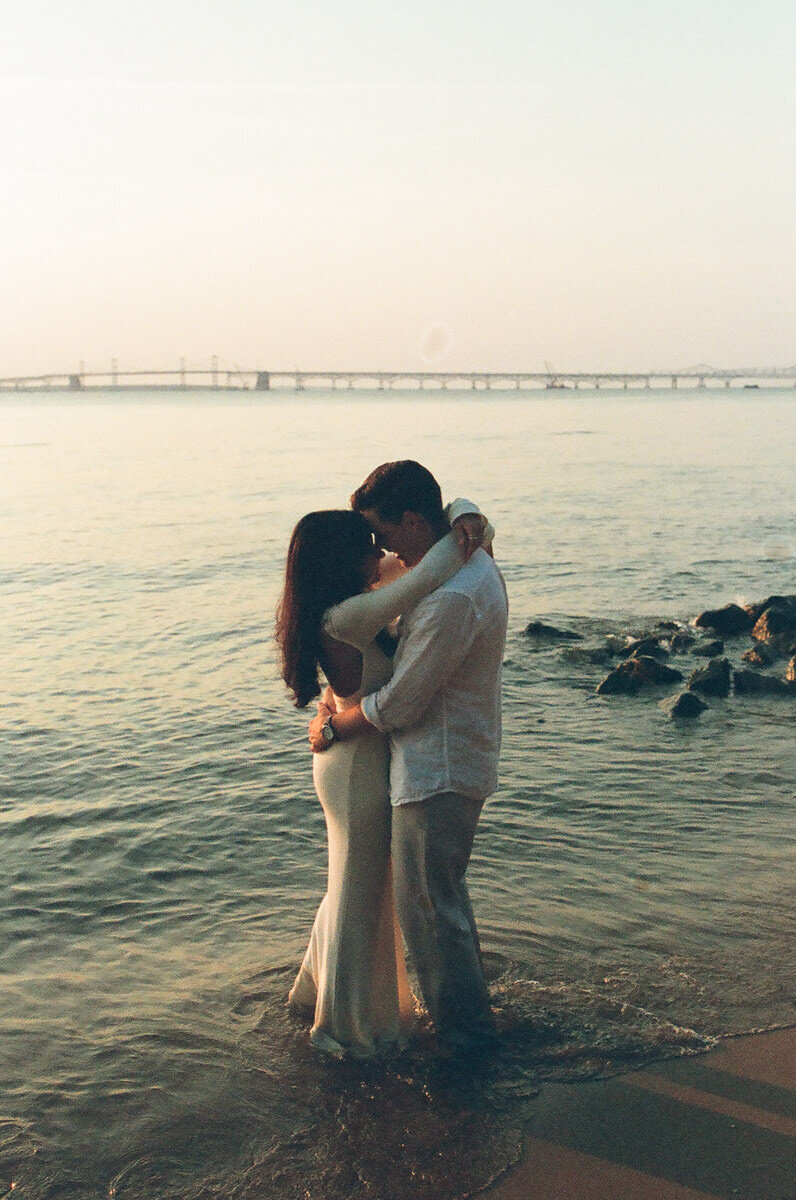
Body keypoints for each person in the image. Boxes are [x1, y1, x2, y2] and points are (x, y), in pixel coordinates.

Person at [276, 497, 489, 1058]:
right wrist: (468, 523)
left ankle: (318, 991)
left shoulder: (348, 604)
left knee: (353, 883)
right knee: (360, 888)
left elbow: (422, 562)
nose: (385, 551)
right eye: (369, 546)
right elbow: (434, 572)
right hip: (355, 765)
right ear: (342, 561)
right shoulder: (347, 616)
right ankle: (344, 1025)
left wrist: (467, 513)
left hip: (355, 756)